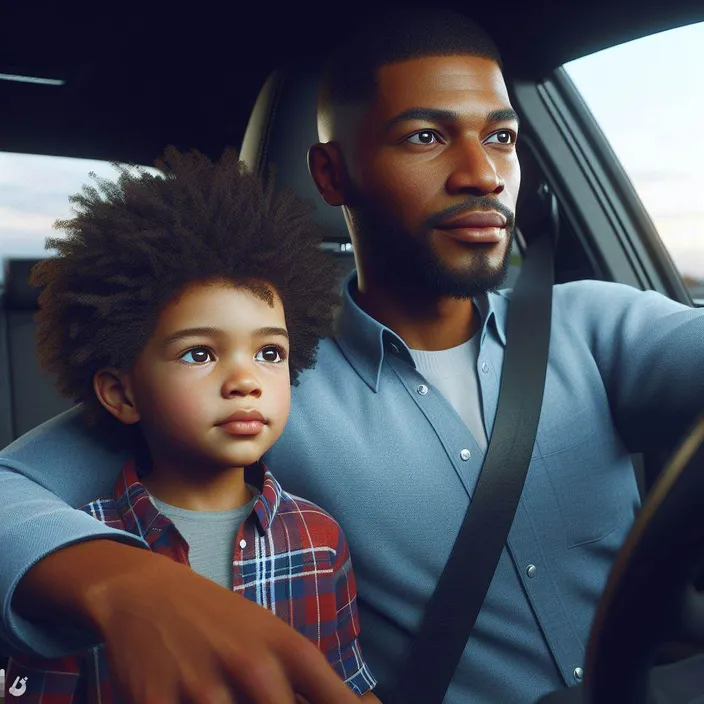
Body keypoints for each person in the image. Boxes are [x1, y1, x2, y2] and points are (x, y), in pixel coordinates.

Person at [2, 8, 704, 704]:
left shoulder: (600, 323)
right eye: (427, 136)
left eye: (501, 137)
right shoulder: (265, 379)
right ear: (331, 175)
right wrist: (128, 588)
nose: (483, 173)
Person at [2, 148, 378, 702]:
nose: (245, 380)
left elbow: (345, 681)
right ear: (121, 394)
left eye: (270, 353)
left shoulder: (320, 538)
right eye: (200, 354)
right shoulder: (77, 556)